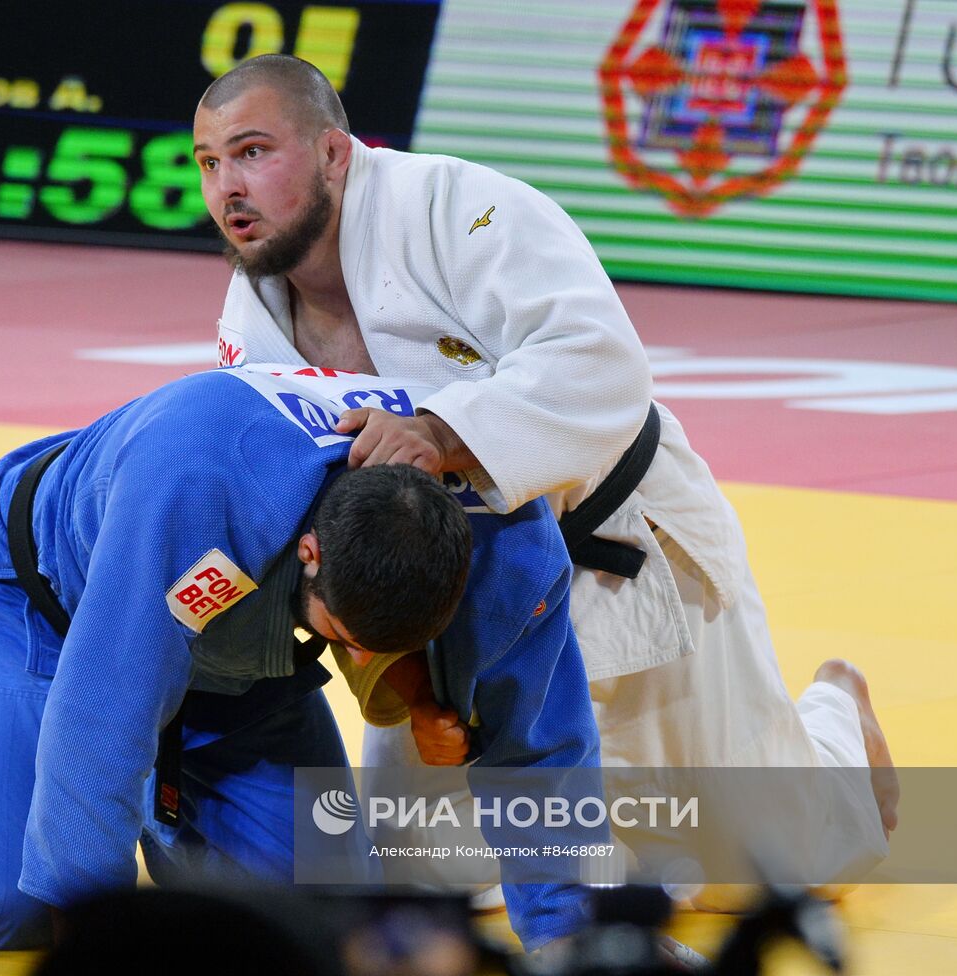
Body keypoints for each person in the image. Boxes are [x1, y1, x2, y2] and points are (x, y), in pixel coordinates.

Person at [192, 56, 896, 905]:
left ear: (335, 153)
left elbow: (601, 361)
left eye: (253, 151)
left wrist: (443, 433)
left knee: (769, 862)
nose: (228, 186)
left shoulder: (459, 212)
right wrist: (412, 693)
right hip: (449, 596)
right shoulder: (250, 323)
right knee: (425, 873)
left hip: (614, 543)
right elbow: (320, 538)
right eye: (209, 162)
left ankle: (836, 729)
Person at [0, 364, 601, 951]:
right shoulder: (203, 492)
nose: (356, 658)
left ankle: (143, 796)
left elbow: (546, 755)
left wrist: (569, 948)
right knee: (0, 908)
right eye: (346, 636)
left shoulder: (514, 554)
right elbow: (103, 717)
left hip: (233, 659)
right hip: (31, 598)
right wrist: (101, 945)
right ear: (313, 549)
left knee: (320, 924)